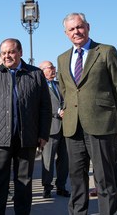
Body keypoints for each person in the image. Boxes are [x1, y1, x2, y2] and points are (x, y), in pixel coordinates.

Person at [56, 13, 117, 215]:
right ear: (66, 33)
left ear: (88, 27)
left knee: (105, 180)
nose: (76, 32)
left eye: (79, 27)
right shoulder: (62, 59)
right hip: (72, 128)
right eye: (71, 29)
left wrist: (112, 116)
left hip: (101, 124)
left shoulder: (105, 51)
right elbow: (65, 91)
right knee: (77, 180)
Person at [0, 38, 52, 215]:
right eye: (3, 53)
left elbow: (45, 107)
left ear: (20, 52)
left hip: (27, 138)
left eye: (11, 52)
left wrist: (43, 134)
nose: (7, 56)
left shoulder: (35, 74)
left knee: (24, 183)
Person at [38, 60, 70, 199]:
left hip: (66, 128)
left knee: (64, 161)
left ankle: (61, 187)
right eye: (50, 68)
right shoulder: (39, 87)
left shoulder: (59, 85)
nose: (53, 70)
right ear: (42, 71)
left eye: (53, 67)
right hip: (50, 129)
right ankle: (47, 188)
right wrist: (56, 113)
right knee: (47, 161)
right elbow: (39, 109)